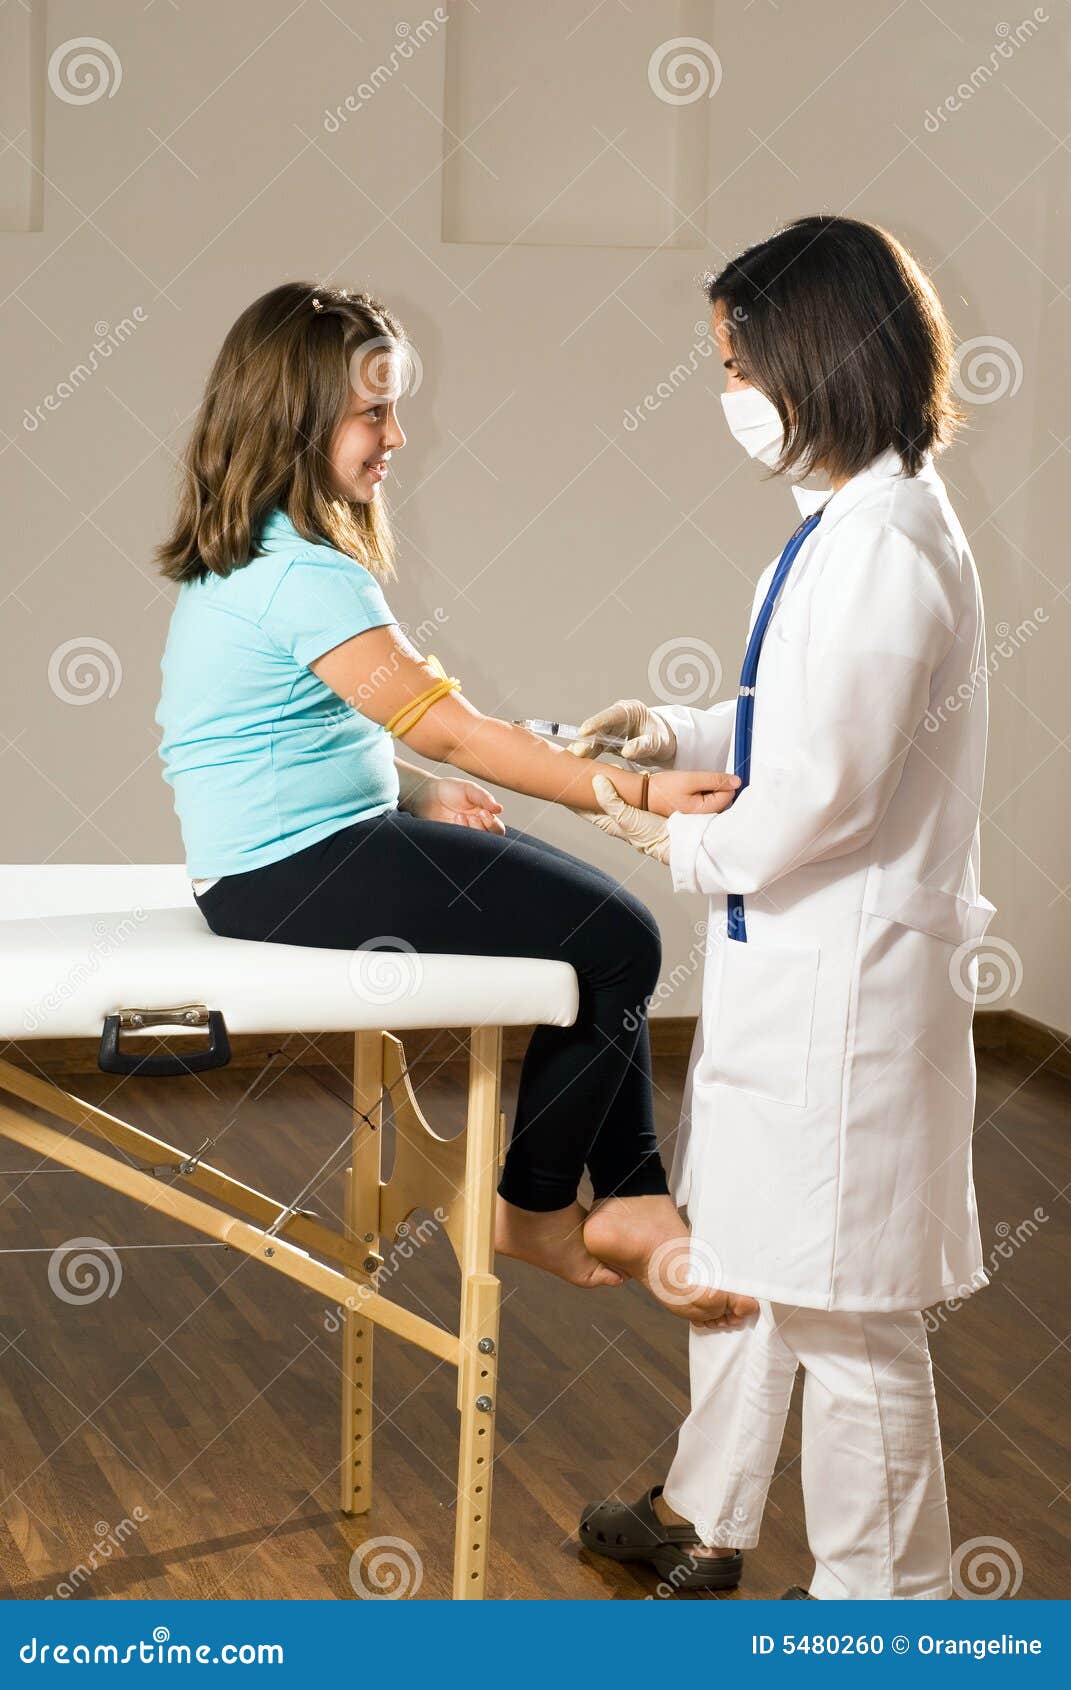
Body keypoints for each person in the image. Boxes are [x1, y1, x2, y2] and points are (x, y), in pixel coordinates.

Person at [153, 280, 758, 1328]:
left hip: (286, 854)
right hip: (285, 873)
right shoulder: (305, 575)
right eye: (374, 411)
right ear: (298, 419)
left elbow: (306, 730)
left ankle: (630, 1198)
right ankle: (539, 1210)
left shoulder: (265, 546)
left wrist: (418, 796)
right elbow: (449, 725)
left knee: (601, 938)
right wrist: (636, 793)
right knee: (618, 941)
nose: (397, 436)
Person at [574, 216, 995, 1600]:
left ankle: (889, 1607)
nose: (730, 396)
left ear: (814, 358)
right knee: (752, 1253)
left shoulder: (884, 544)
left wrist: (655, 832)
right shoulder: (839, 530)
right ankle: (704, 1514)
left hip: (848, 983)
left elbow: (822, 796)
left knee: (843, 1311)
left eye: (736, 364)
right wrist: (680, 735)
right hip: (803, 971)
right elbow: (789, 724)